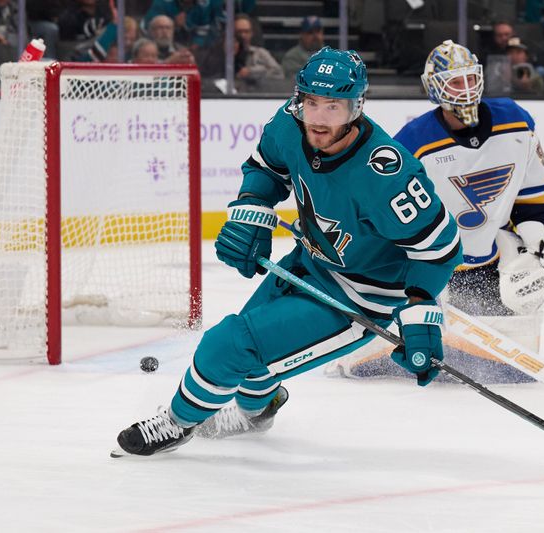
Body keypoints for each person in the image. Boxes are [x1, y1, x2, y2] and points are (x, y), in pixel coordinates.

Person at [112, 47, 462, 456]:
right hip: (310, 261)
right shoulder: (289, 124)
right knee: (250, 367)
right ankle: (261, 410)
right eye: (311, 102)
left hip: (359, 297)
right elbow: (266, 168)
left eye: (332, 106)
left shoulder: (385, 173)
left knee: (227, 346)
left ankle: (176, 422)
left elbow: (439, 248)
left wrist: (421, 314)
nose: (317, 117)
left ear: (356, 107)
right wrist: (251, 217)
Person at [327, 41, 544, 385]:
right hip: (432, 262)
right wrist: (417, 280)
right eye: (454, 82)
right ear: (434, 88)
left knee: (515, 352)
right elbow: (387, 215)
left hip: (487, 260)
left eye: (469, 79)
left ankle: (457, 340)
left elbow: (534, 197)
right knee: (369, 361)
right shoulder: (413, 143)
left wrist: (541, 252)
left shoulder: (517, 122)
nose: (465, 90)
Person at [234, 13, 284, 81]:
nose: (243, 36)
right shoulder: (221, 55)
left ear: (251, 33)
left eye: (246, 31)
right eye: (239, 32)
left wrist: (251, 72)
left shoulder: (260, 53)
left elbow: (279, 73)